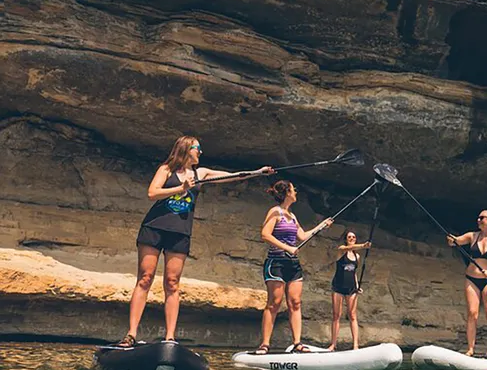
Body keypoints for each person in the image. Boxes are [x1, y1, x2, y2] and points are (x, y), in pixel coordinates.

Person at [115, 136, 274, 347]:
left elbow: (233, 176)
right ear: (186, 149)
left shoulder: (202, 173)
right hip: (154, 228)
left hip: (180, 232)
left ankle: (170, 337)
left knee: (172, 282)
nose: (200, 152)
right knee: (145, 278)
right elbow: (152, 193)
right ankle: (131, 334)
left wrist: (257, 173)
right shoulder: (167, 169)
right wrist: (181, 187)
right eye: (197, 148)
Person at [256, 180, 333, 354]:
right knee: (274, 303)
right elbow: (265, 234)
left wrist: (321, 226)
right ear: (287, 192)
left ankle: (297, 343)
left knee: (295, 302)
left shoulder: (292, 216)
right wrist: (288, 248)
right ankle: (265, 344)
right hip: (276, 263)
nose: (296, 191)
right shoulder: (275, 212)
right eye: (293, 189)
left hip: (292, 265)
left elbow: (302, 236)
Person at [447, 208, 487, 359]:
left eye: (482, 218)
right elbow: (456, 241)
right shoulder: (472, 236)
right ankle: (470, 349)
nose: (479, 220)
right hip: (471, 279)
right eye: (478, 218)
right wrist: (452, 240)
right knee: (472, 314)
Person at [327, 230, 371, 351]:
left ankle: (355, 345)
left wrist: (357, 286)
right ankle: (333, 344)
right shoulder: (342, 250)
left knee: (352, 315)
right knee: (336, 315)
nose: (351, 238)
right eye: (349, 237)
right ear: (346, 239)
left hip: (351, 287)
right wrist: (363, 246)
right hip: (338, 286)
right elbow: (348, 248)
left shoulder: (357, 256)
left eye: (353, 237)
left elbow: (354, 273)